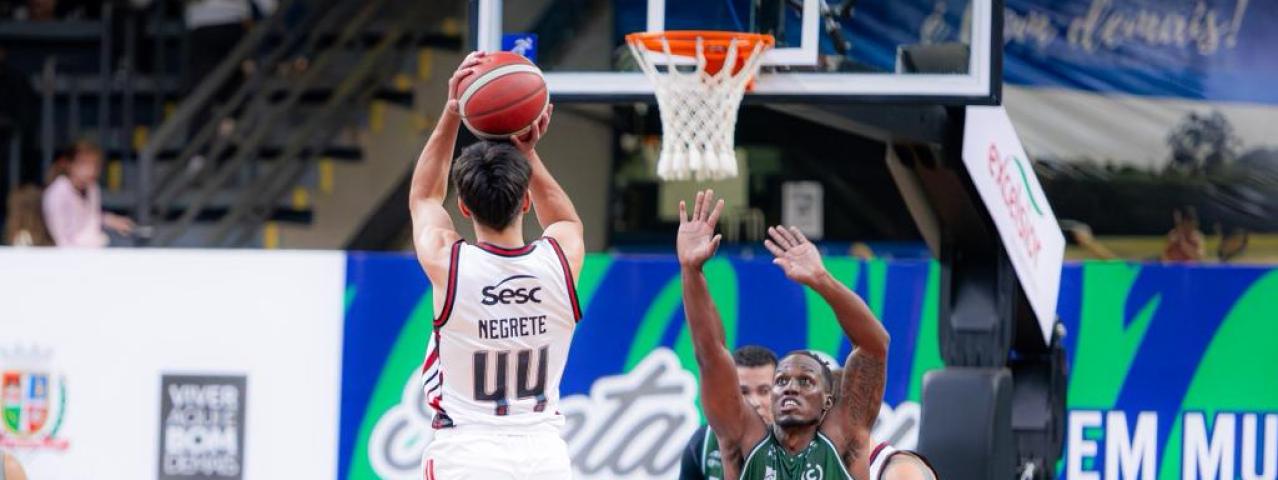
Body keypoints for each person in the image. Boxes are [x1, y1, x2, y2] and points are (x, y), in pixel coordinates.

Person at [676, 189, 938, 480]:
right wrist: (691, 270)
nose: (790, 387)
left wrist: (822, 280)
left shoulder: (844, 440)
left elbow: (873, 345)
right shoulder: (744, 443)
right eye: (781, 381)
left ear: (828, 402)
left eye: (805, 381)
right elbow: (710, 354)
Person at [409, 51, 583, 480]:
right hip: (544, 456)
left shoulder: (449, 265)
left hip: (468, 452)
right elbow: (563, 219)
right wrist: (528, 152)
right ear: (526, 200)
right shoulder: (560, 260)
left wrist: (453, 112)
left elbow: (425, 198)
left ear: (464, 208)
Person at [680, 345, 778, 480]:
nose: (754, 402)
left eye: (764, 391)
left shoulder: (805, 445)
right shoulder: (703, 443)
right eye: (743, 392)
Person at [42, 141, 134, 247]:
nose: (91, 170)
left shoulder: (93, 188)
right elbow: (61, 239)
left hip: (93, 247)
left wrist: (110, 220)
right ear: (69, 165)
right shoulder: (57, 193)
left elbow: (89, 218)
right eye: (84, 164)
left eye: (95, 165)